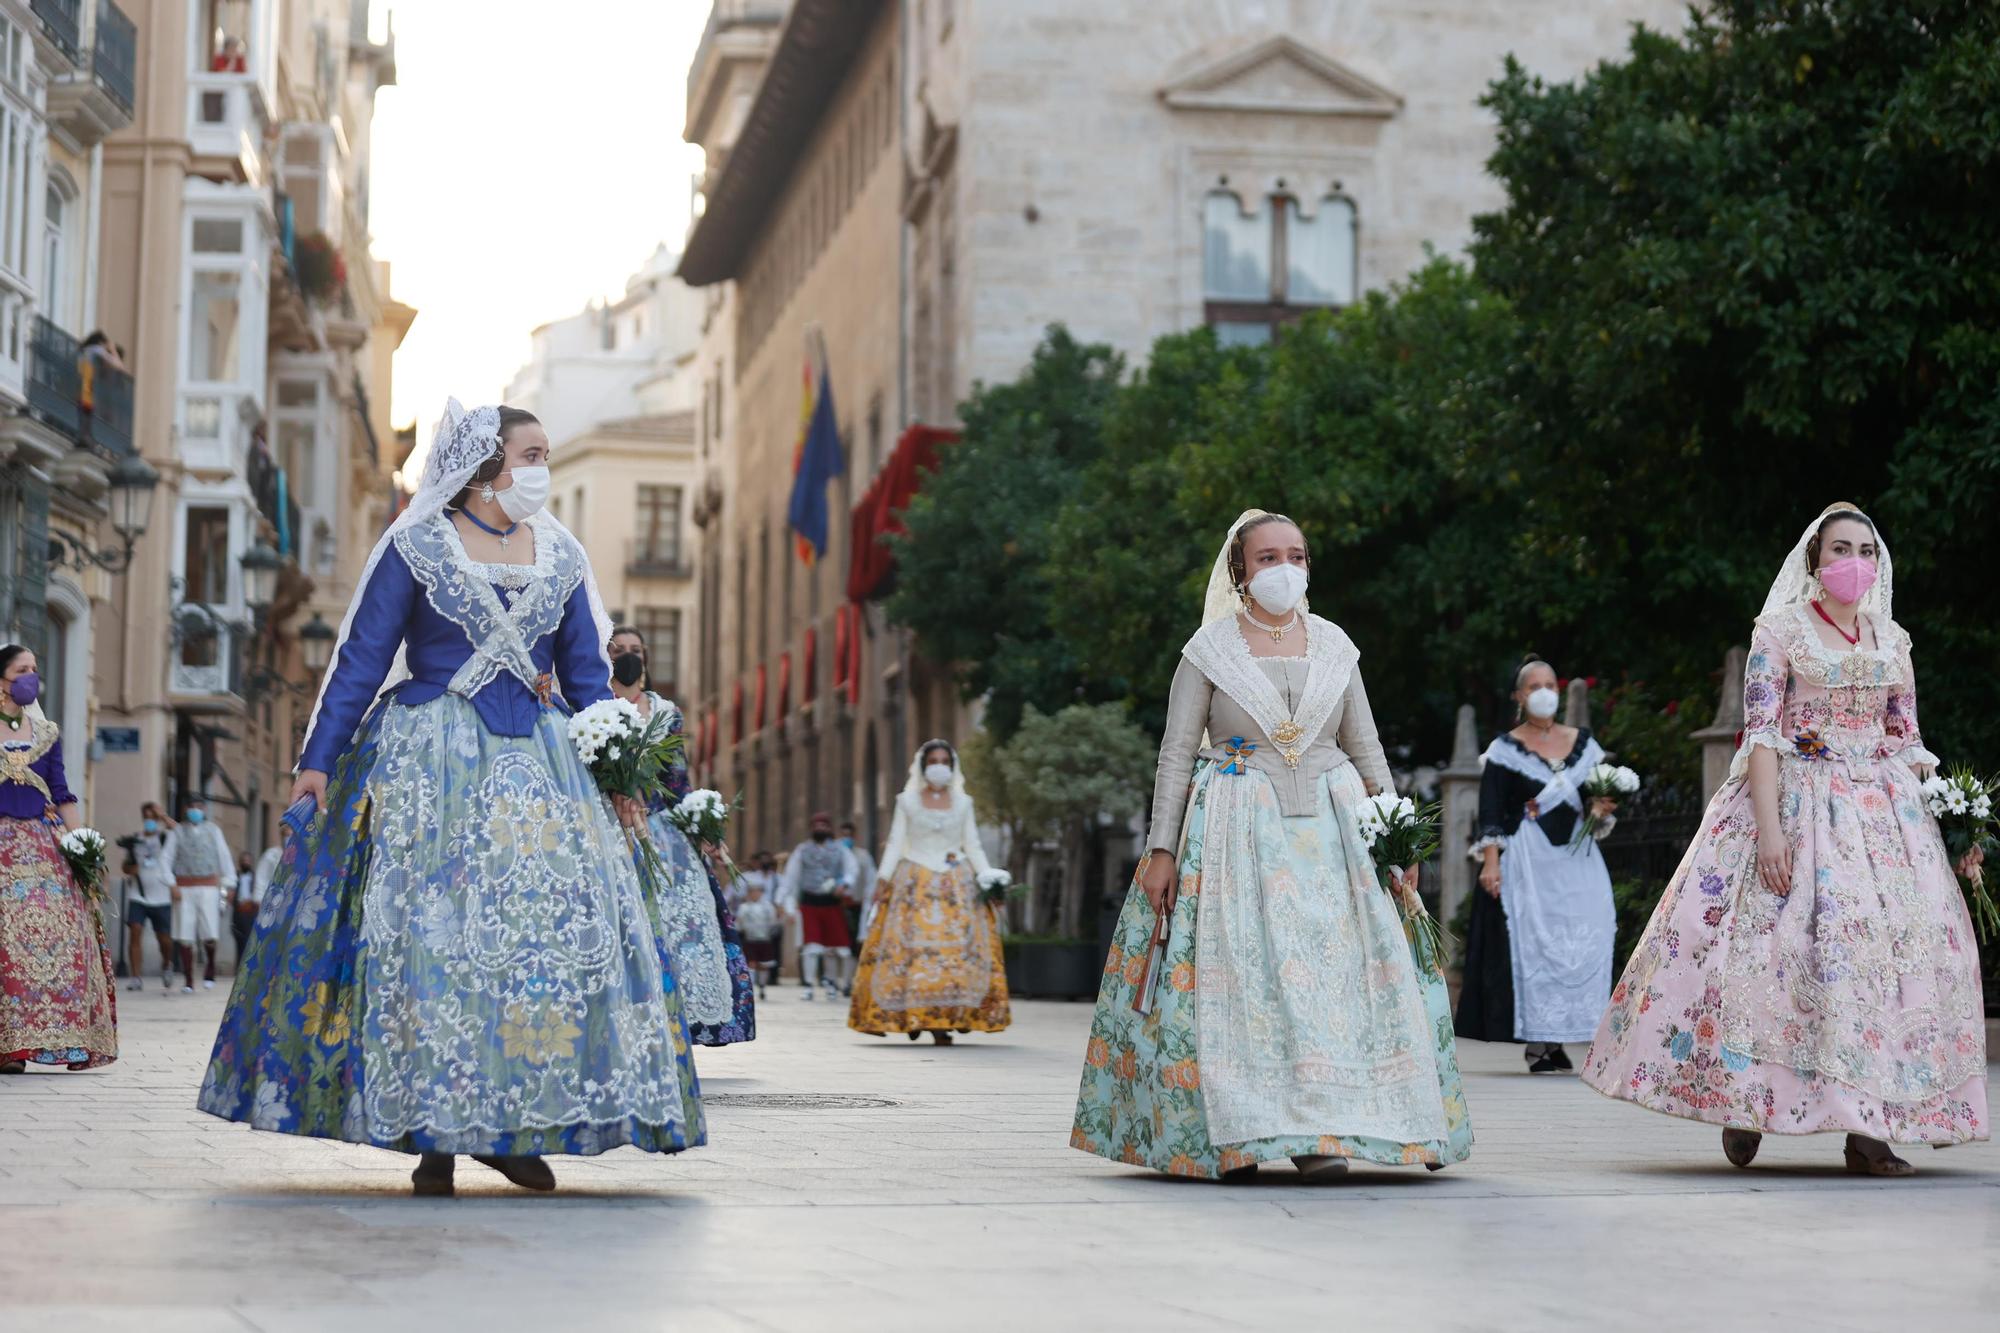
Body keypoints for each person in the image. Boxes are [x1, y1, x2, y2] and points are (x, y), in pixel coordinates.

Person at [196, 400, 705, 1197]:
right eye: (532, 453)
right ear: (491, 463)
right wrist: (318, 760)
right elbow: (363, 660)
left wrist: (621, 777)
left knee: (535, 947)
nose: (543, 467)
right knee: (431, 946)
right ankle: (432, 1129)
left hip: (541, 770)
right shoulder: (416, 543)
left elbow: (586, 679)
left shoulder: (562, 554)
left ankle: (510, 1125)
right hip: (426, 761)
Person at [1583, 503, 1987, 1174]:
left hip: (1883, 816)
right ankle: (1750, 1104)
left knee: (1883, 967)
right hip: (1798, 799)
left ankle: (1868, 1128)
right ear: (1815, 561)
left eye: (1865, 549)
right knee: (1771, 955)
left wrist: (1953, 828)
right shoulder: (1780, 632)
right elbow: (1762, 735)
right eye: (1840, 548)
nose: (1854, 560)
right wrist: (1771, 833)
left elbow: (1906, 739)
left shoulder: (1894, 641)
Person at [1071, 511, 1471, 1181]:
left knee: (1335, 980)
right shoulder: (1209, 650)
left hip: (1336, 832)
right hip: (1235, 826)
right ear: (1240, 571)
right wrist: (1161, 848)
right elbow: (1175, 752)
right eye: (1267, 557)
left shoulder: (1337, 645)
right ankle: (1237, 1136)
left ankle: (1324, 1134)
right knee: (1246, 980)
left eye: (1296, 554)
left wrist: (1394, 828)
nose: (1285, 568)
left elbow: (1364, 742)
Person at [1454, 659, 1619, 1073]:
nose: (1544, 692)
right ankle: (1541, 1043)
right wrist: (1491, 864)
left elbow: (1594, 805)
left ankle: (1572, 1032)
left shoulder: (1584, 745)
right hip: (1530, 858)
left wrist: (1602, 808)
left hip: (1578, 861)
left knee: (1588, 933)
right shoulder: (1504, 750)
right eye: (1534, 686)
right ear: (1519, 696)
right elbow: (1490, 810)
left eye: (1550, 684)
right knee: (1537, 944)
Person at [609, 625, 754, 1047]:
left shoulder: (666, 713)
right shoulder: (592, 708)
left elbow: (678, 781)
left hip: (661, 832)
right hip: (611, 829)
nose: (628, 656)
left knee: (685, 924)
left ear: (647, 658)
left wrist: (702, 829)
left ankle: (679, 1026)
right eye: (619, 650)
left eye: (636, 650)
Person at [0, 644, 116, 1073]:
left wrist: (81, 843)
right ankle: (7, 1048)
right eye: (21, 669)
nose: (31, 676)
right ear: (2, 679)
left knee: (62, 936)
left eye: (35, 668)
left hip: (42, 847)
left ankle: (50, 1039)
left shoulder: (46, 732)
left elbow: (62, 793)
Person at [848, 741, 1010, 1045]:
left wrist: (988, 880)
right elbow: (896, 842)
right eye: (933, 760)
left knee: (957, 952)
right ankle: (914, 1014)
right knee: (913, 953)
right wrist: (882, 880)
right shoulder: (907, 801)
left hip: (955, 881)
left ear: (952, 766)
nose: (939, 766)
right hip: (915, 881)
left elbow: (972, 844)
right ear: (923, 767)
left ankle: (950, 1015)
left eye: (945, 761)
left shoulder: (964, 803)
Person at [781, 812, 858, 1000]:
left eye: (824, 825)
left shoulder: (840, 850)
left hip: (832, 903)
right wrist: (783, 900)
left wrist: (845, 884)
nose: (820, 829)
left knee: (838, 948)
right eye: (816, 825)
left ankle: (832, 983)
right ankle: (808, 985)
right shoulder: (802, 850)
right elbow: (791, 876)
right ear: (811, 828)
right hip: (810, 903)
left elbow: (852, 869)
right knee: (812, 947)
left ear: (829, 828)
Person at [163, 794, 232, 991]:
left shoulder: (213, 831)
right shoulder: (177, 832)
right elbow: (165, 859)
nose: (196, 810)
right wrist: (172, 884)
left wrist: (227, 884)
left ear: (204, 809)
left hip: (209, 887)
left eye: (199, 806)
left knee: (209, 932)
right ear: (186, 809)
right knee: (185, 934)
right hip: (184, 888)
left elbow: (224, 857)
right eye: (192, 806)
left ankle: (209, 969)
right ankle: (188, 980)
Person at [125, 802, 178, 992]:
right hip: (138, 894)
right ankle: (136, 977)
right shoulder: (135, 840)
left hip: (162, 895)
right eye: (146, 817)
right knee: (135, 931)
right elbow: (126, 867)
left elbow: (179, 831)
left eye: (152, 818)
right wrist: (130, 868)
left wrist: (162, 814)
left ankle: (167, 963)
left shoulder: (165, 837)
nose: (149, 821)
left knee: (164, 939)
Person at [735, 881, 780, 999]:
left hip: (765, 939)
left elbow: (773, 921)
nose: (755, 894)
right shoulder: (744, 907)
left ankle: (762, 986)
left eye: (757, 892)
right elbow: (739, 922)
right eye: (752, 892)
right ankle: (752, 988)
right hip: (750, 939)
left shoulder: (768, 907)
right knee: (751, 963)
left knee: (764, 965)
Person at [840, 820, 878, 945]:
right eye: (844, 835)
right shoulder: (836, 855)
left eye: (849, 835)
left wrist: (867, 897)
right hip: (839, 904)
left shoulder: (863, 856)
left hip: (857, 903)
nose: (847, 838)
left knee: (856, 937)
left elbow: (871, 879)